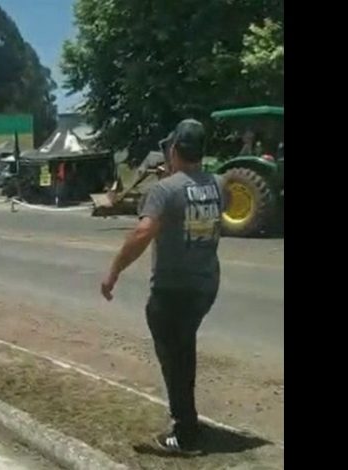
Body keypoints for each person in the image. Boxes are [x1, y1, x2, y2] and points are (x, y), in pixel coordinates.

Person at [100, 119, 227, 454]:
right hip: (205, 284)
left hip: (174, 290)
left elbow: (143, 233)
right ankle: (186, 419)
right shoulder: (220, 184)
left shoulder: (163, 191)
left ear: (173, 149)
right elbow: (192, 204)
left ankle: (184, 433)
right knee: (183, 348)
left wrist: (113, 270)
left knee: (175, 355)